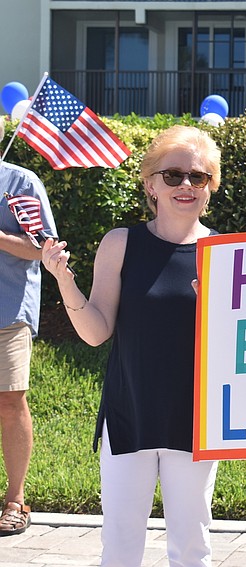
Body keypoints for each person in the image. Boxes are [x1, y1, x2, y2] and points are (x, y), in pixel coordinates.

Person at [41, 125, 221, 566]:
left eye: (197, 177)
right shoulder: (120, 243)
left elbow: (242, 350)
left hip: (195, 421)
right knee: (120, 546)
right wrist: (65, 280)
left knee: (192, 546)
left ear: (210, 187)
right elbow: (96, 331)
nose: (185, 185)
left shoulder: (224, 252)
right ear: (150, 184)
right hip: (128, 415)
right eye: (172, 174)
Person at [0, 162, 58, 536]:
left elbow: (42, 248)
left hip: (7, 311)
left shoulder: (19, 182)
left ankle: (15, 500)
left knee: (9, 400)